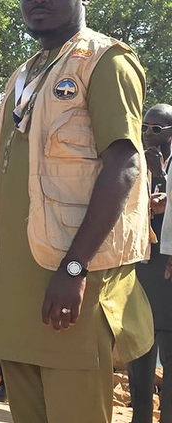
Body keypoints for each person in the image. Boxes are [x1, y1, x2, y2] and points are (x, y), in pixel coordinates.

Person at [0, 0, 153, 423]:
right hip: (16, 290)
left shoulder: (105, 61)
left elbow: (124, 165)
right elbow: (4, 178)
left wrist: (73, 269)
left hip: (69, 286)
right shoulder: (24, 75)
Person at [127, 104, 172, 423]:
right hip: (141, 267)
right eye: (145, 127)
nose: (148, 134)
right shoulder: (135, 161)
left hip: (167, 271)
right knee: (139, 350)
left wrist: (162, 177)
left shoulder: (160, 166)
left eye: (157, 129)